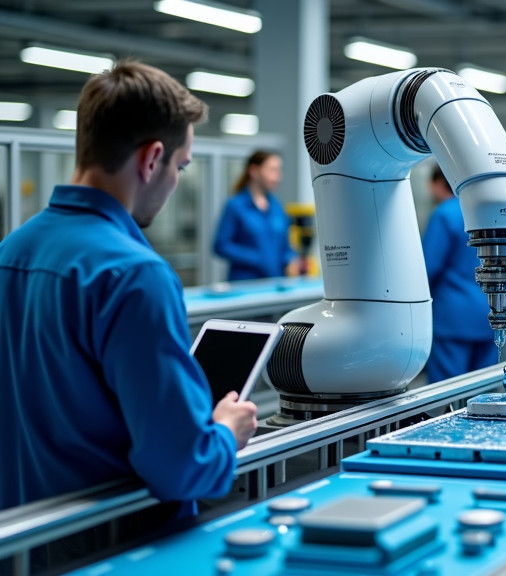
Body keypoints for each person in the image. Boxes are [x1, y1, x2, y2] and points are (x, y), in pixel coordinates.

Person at [0, 61, 258, 512]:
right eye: (180, 166)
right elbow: (181, 468)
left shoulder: (11, 252)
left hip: (25, 538)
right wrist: (224, 433)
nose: (175, 181)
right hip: (116, 542)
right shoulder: (136, 275)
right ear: (152, 158)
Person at [422, 165, 502, 382]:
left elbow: (429, 267)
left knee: (448, 391)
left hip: (454, 318)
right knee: (483, 390)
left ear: (439, 184)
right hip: (492, 312)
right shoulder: (490, 212)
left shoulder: (445, 214)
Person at [213, 150, 298, 281]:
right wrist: (257, 258)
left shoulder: (276, 206)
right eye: (272, 170)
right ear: (254, 171)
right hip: (246, 285)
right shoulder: (235, 206)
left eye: (279, 171)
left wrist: (290, 258)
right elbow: (221, 246)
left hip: (275, 283)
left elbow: (285, 245)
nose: (278, 177)